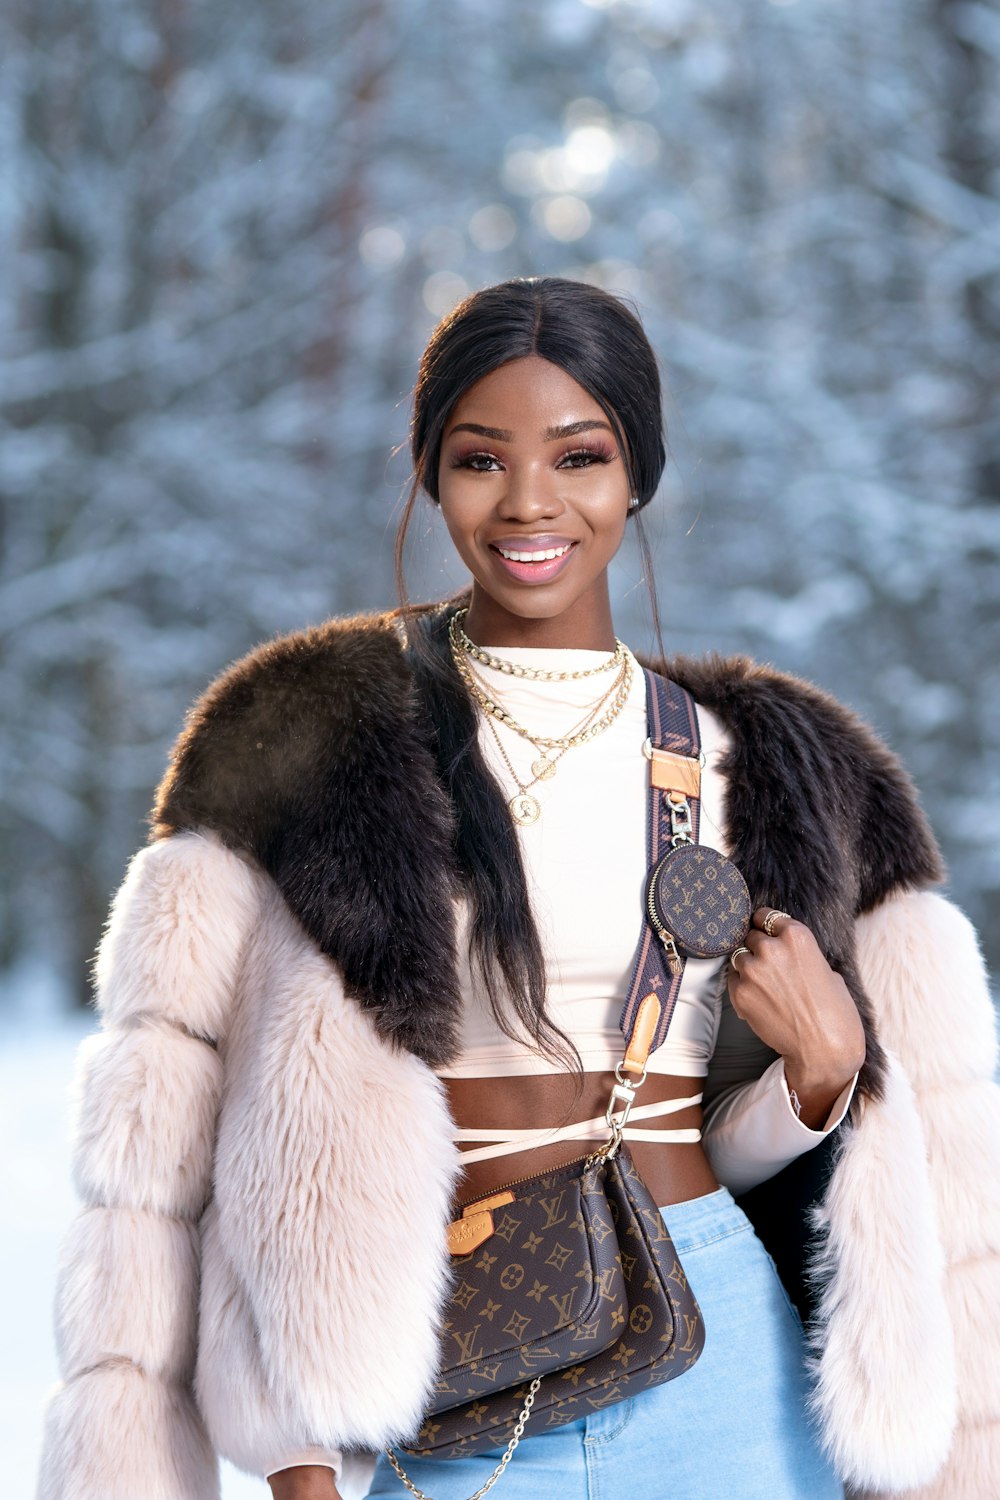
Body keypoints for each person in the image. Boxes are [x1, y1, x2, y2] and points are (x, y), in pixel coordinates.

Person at [37, 278, 999, 1500]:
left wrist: (823, 1077)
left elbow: (945, 1214)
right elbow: (166, 1168)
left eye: (579, 456)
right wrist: (296, 1459)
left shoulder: (786, 766)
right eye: (481, 458)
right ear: (431, 476)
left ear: (637, 473)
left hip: (733, 1385)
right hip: (440, 1385)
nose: (531, 501)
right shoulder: (302, 742)